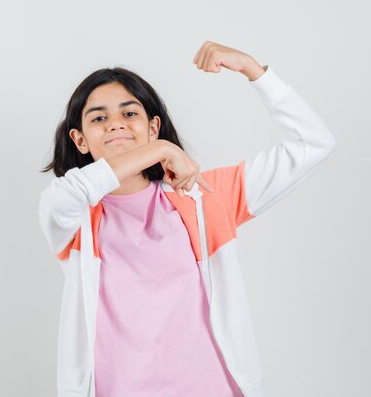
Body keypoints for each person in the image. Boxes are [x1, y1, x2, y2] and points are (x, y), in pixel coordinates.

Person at [38, 41, 337, 397]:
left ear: (154, 126)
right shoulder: (74, 218)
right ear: (80, 140)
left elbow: (314, 143)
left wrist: (252, 70)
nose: (115, 124)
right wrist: (163, 149)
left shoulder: (203, 195)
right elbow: (67, 193)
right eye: (99, 118)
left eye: (130, 113)